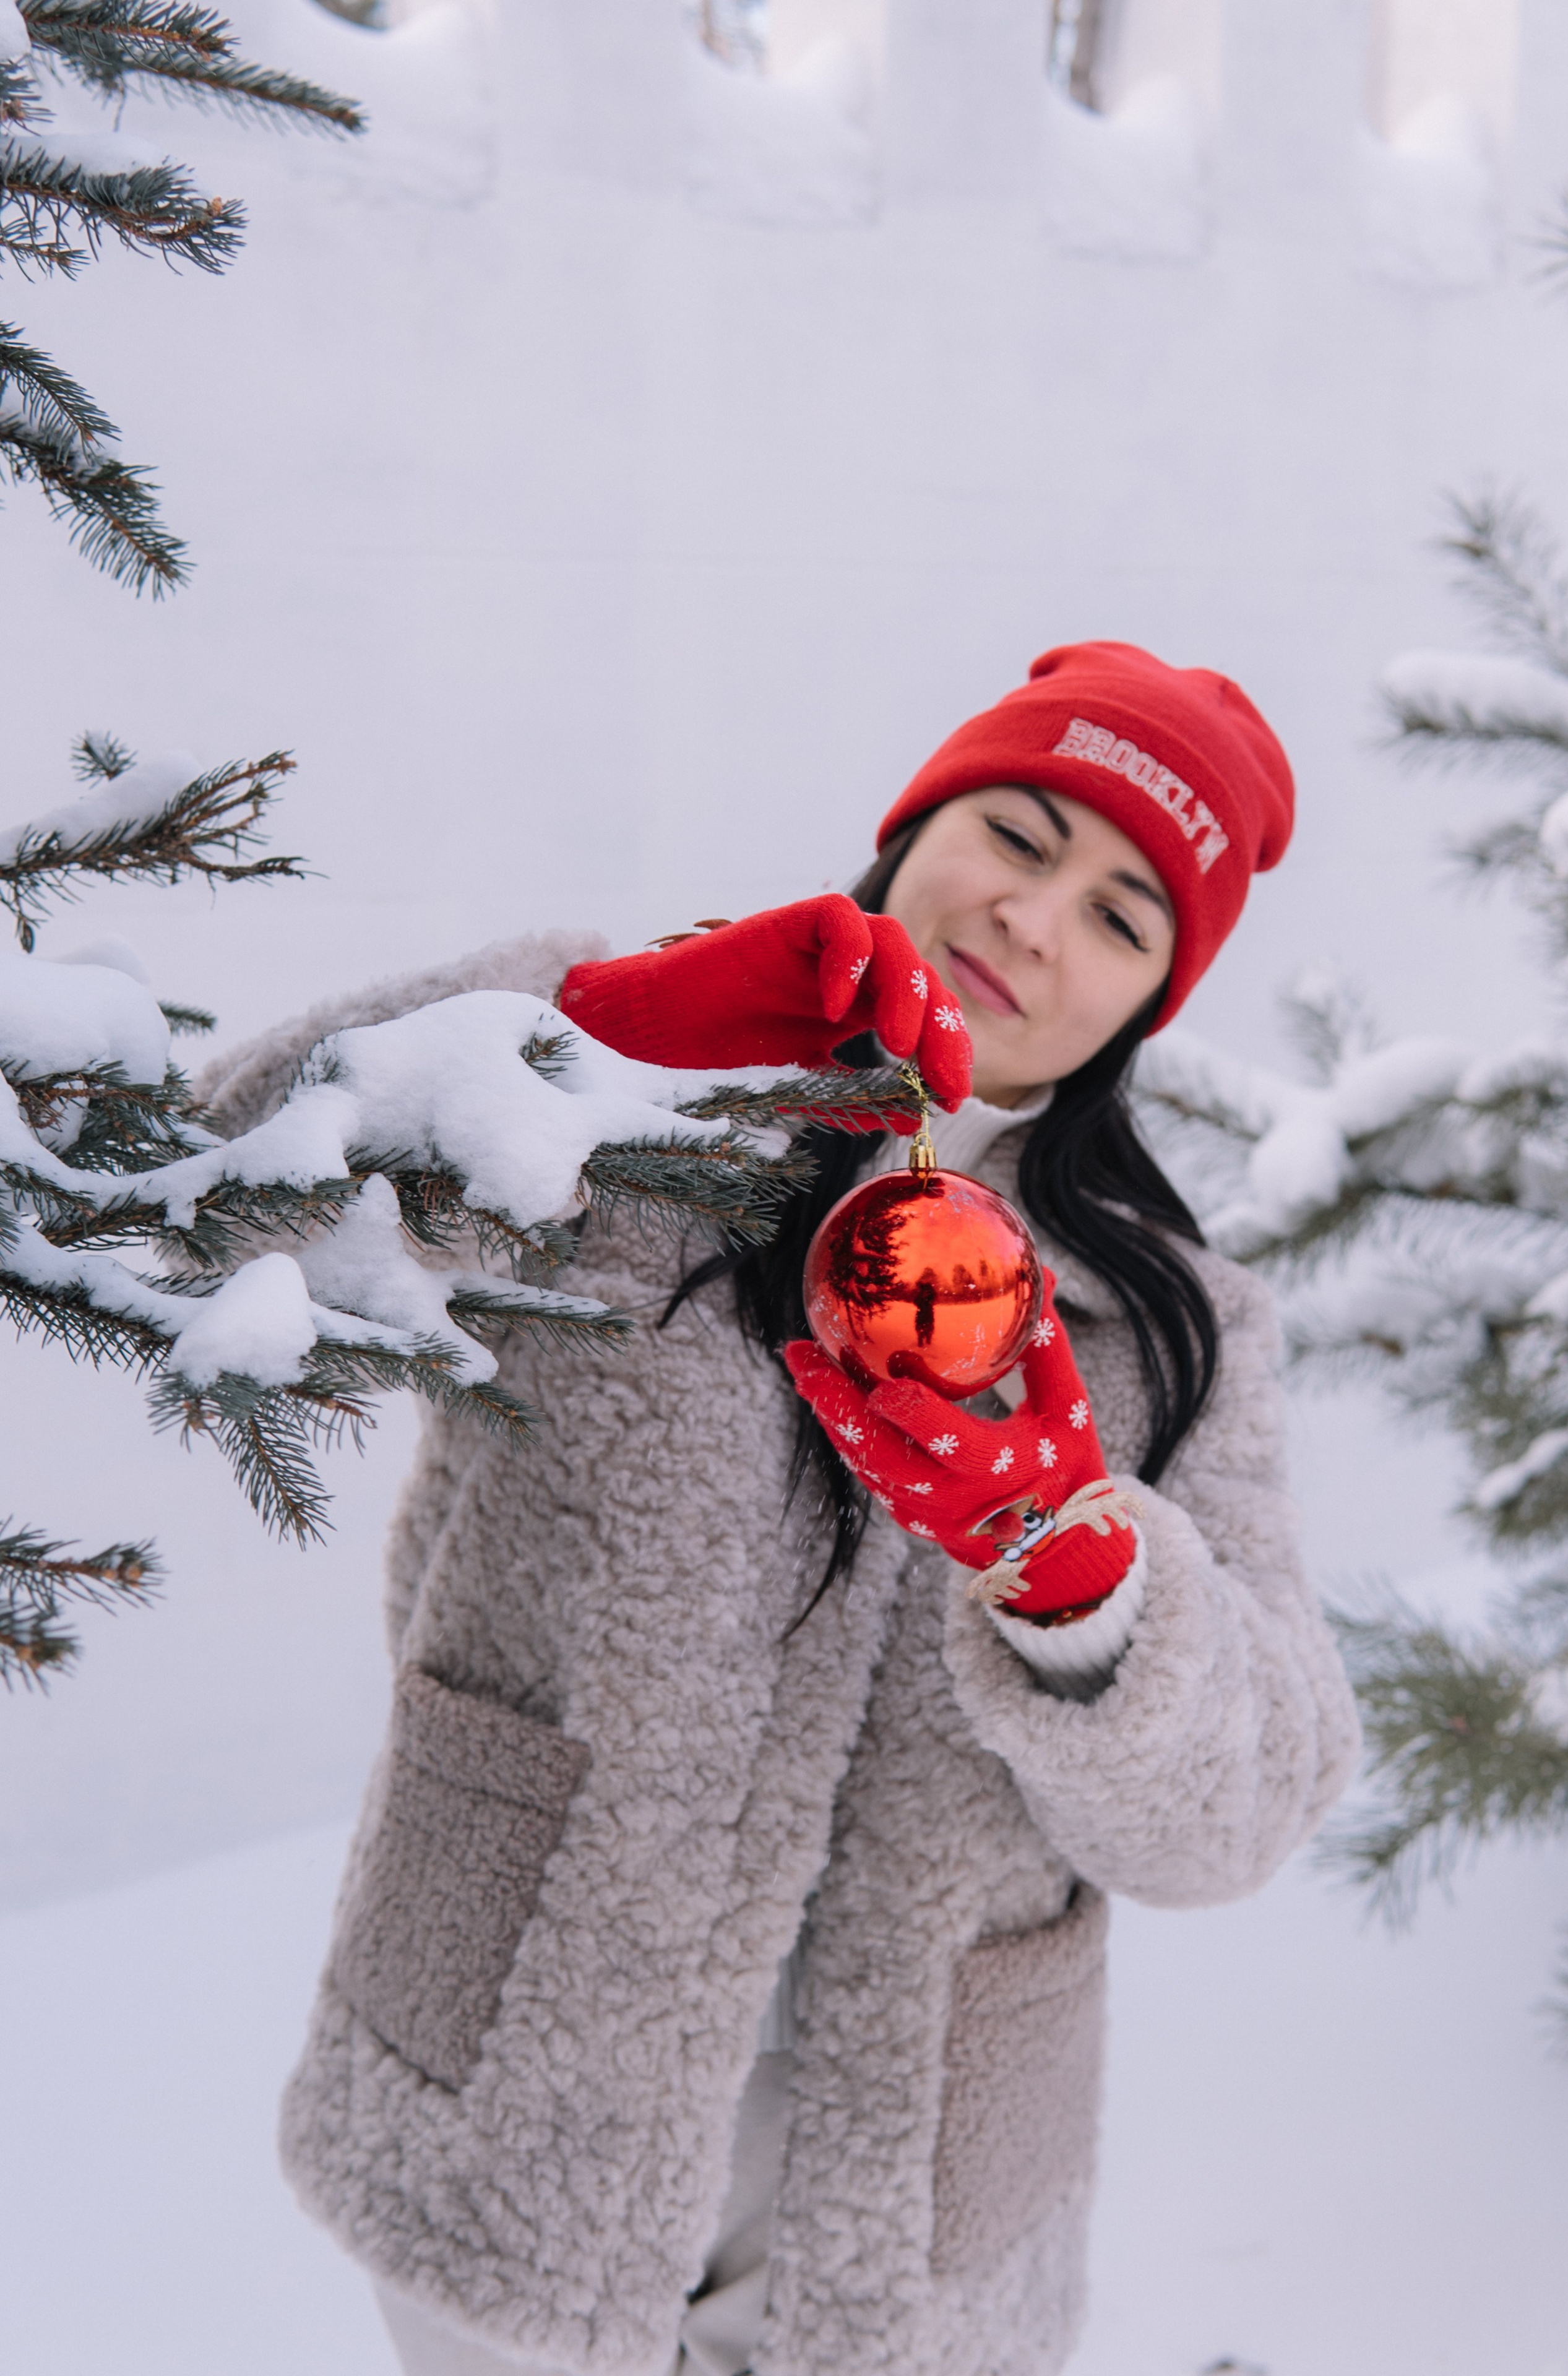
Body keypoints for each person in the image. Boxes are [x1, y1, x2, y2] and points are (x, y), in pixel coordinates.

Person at [203, 641, 1358, 2376]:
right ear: (918, 822)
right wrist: (576, 1044)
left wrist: (1081, 1585)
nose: (1040, 923)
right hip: (520, 2077)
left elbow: (1240, 1817)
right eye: (1023, 835)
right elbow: (195, 1223)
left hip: (899, 2213)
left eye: (1125, 919)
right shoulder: (624, 1092)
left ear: (1147, 1007)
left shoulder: (1177, 1326)